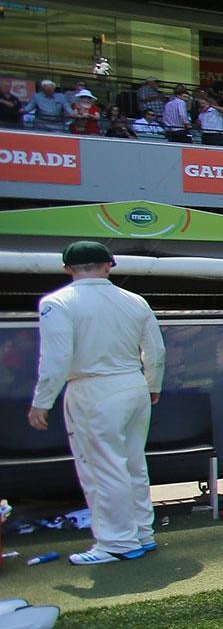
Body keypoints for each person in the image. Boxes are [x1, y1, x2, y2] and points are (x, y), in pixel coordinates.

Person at [27, 241, 165, 566]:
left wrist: (41, 402)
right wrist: (152, 385)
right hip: (133, 384)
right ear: (108, 265)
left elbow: (56, 359)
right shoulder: (135, 301)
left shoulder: (57, 303)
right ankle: (142, 534)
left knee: (103, 468)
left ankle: (117, 542)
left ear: (67, 269)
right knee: (133, 464)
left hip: (92, 389)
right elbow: (155, 352)